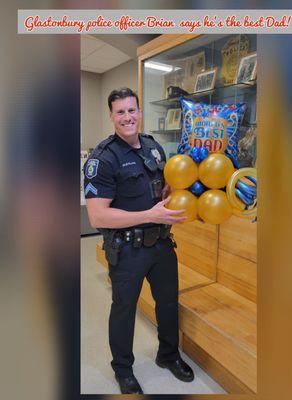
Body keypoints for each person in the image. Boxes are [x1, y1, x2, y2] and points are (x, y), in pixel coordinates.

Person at [84, 88, 194, 394]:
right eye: (120, 112)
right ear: (111, 116)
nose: (127, 117)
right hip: (127, 249)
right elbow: (98, 217)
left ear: (140, 112)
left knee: (169, 303)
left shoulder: (153, 147)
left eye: (132, 110)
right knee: (124, 309)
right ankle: (123, 369)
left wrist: (171, 194)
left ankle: (168, 355)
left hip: (160, 244)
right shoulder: (102, 159)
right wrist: (150, 214)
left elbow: (160, 188)